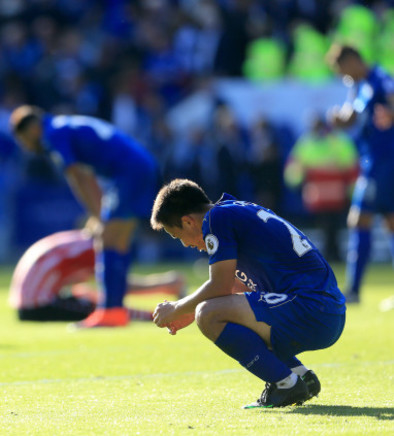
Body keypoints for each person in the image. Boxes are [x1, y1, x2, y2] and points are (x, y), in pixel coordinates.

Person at [150, 179, 346, 408]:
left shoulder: (215, 219)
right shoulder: (234, 209)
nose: (185, 244)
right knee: (210, 312)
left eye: (177, 235)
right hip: (324, 309)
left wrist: (176, 308)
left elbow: (220, 286)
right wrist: (189, 310)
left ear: (188, 221)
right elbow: (233, 286)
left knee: (208, 314)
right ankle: (300, 376)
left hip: (310, 307)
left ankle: (285, 384)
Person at [9, 106, 162, 328]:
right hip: (139, 166)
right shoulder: (64, 124)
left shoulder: (53, 135)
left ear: (33, 128)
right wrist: (100, 214)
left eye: (24, 139)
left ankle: (110, 311)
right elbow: (88, 173)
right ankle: (115, 309)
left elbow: (78, 177)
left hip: (127, 173)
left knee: (107, 240)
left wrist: (97, 216)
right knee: (118, 242)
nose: (26, 146)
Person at [326, 44, 394, 303]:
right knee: (389, 222)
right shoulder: (358, 86)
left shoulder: (380, 78)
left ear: (353, 60)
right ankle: (353, 290)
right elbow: (351, 118)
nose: (343, 75)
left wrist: (390, 114)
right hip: (373, 162)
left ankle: (353, 290)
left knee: (359, 219)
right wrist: (339, 120)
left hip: (385, 161)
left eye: (342, 68)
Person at [9, 229, 185, 321]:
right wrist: (165, 283)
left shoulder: (77, 240)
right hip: (38, 306)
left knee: (89, 296)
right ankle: (157, 316)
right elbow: (116, 286)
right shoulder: (91, 249)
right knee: (106, 308)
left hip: (27, 303)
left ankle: (159, 314)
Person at [284, 114, 358, 261]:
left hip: (327, 193)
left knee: (330, 226)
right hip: (324, 194)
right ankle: (332, 254)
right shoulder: (336, 141)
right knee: (328, 226)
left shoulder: (308, 143)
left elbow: (294, 170)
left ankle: (331, 254)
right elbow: (294, 170)